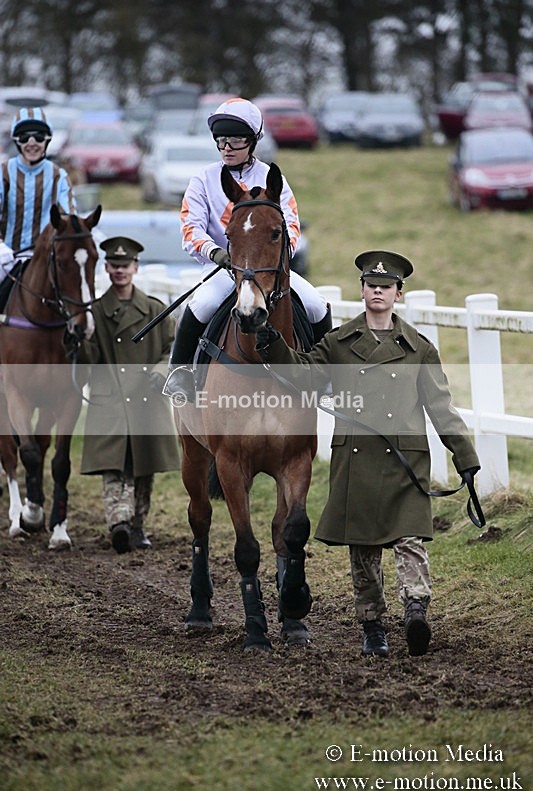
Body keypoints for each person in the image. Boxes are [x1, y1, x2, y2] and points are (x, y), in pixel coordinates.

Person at [255, 250, 480, 657]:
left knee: (410, 539)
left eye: (386, 286)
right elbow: (301, 372)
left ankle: (415, 611)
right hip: (357, 460)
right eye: (371, 285)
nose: (378, 291)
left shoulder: (419, 349)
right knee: (364, 553)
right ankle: (372, 625)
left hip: (405, 463)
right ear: (362, 291)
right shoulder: (339, 344)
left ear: (399, 294)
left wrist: (464, 457)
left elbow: (442, 408)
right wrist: (271, 343)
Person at [166, 97, 331, 397]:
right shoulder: (202, 180)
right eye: (221, 140)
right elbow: (190, 229)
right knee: (200, 305)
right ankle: (180, 373)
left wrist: (278, 256)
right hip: (223, 267)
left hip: (269, 269)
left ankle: (328, 377)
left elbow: (290, 225)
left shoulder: (272, 178)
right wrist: (214, 252)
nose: (227, 147)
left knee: (317, 305)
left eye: (235, 140)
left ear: (253, 141)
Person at [78, 236, 180, 554]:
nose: (120, 271)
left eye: (125, 265)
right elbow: (87, 361)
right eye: (114, 265)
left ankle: (137, 525)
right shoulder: (93, 313)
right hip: (110, 398)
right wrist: (82, 337)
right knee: (113, 465)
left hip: (145, 398)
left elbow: (170, 350)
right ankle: (118, 521)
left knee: (142, 466)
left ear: (135, 268)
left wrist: (160, 373)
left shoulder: (154, 310)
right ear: (106, 269)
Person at [0, 107, 77, 297]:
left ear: (48, 140)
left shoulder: (59, 176)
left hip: (46, 258)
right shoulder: (3, 173)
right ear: (16, 141)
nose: (32, 143)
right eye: (25, 137)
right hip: (5, 257)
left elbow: (68, 220)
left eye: (39, 137)